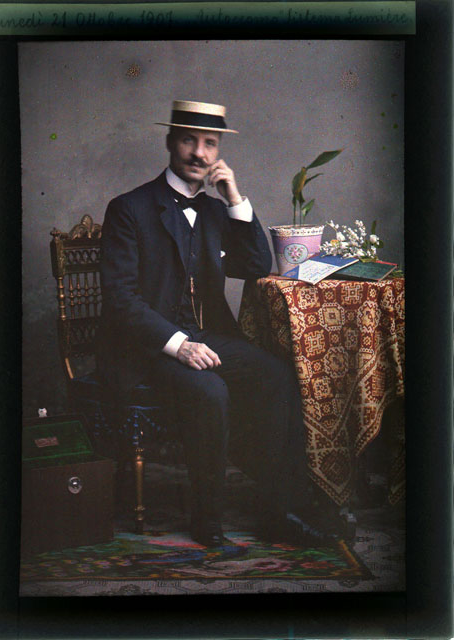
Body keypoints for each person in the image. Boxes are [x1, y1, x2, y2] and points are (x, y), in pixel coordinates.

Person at [98, 100, 335, 547]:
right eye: (189, 140)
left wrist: (235, 200)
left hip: (206, 335)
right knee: (211, 391)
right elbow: (121, 299)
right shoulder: (129, 208)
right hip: (147, 347)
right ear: (170, 143)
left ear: (218, 151)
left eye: (210, 143)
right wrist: (178, 345)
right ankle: (207, 521)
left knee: (276, 376)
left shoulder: (213, 210)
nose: (199, 153)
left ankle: (278, 511)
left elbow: (254, 266)